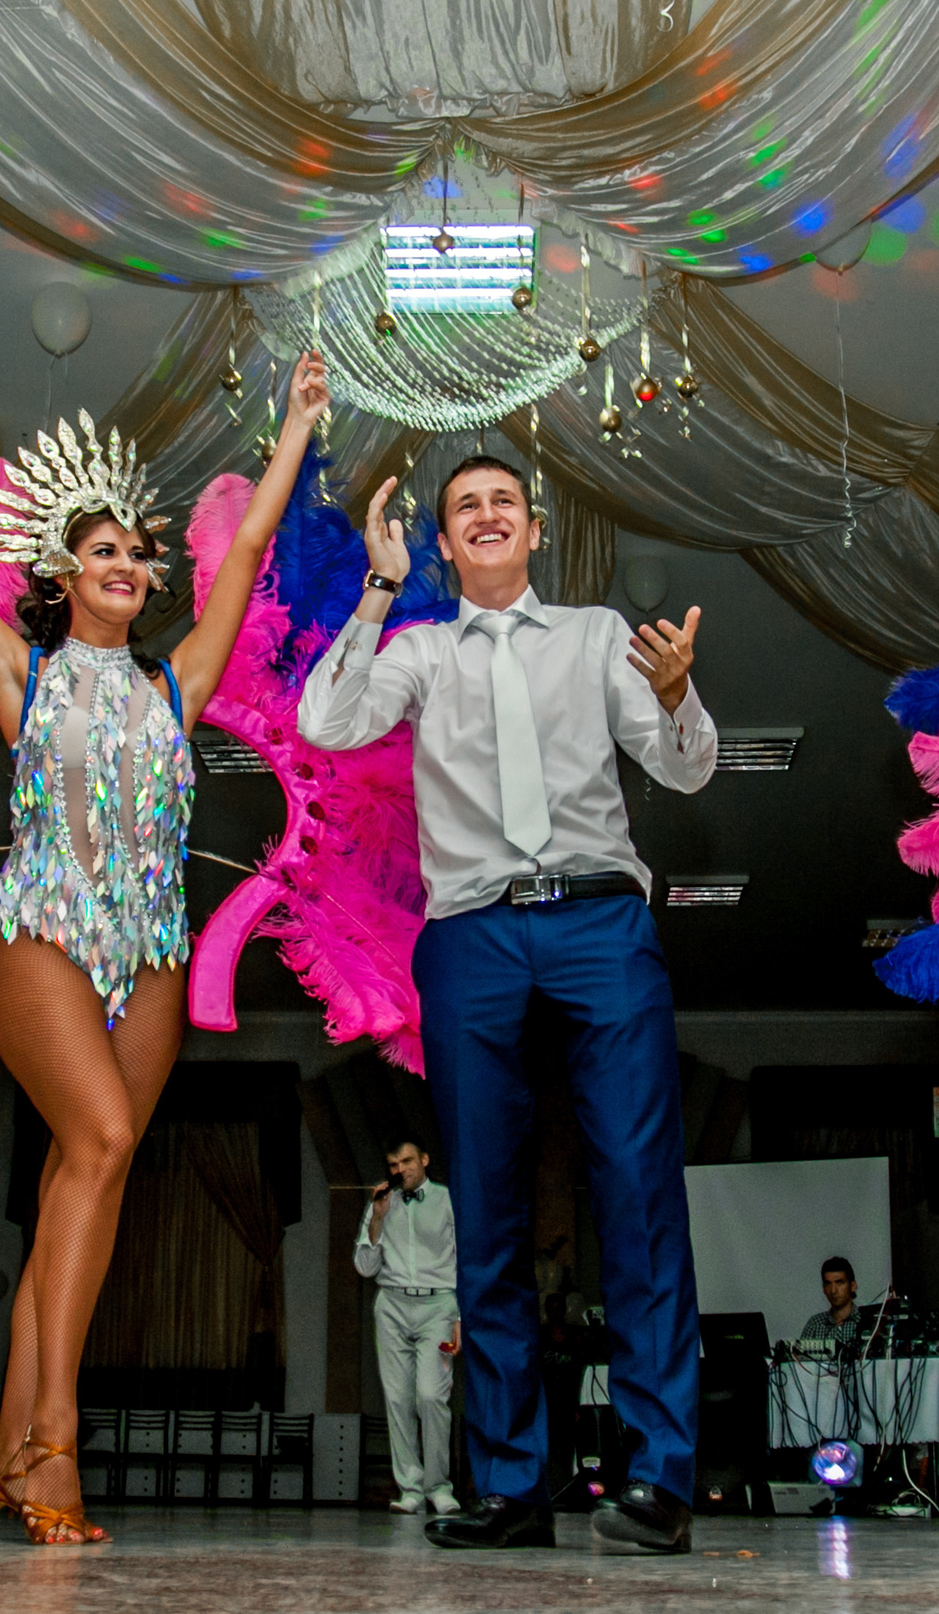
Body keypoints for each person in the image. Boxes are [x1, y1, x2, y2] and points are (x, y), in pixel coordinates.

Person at [0, 337, 326, 1545]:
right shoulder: (21, 675)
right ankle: (54, 1440)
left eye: (139, 553)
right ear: (63, 570)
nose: (127, 564)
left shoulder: (175, 689)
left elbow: (249, 552)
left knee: (81, 1177)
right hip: (42, 930)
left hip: (149, 947)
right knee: (101, 1138)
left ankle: (7, 1451)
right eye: (102, 550)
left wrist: (301, 429)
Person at [299, 457, 717, 1554]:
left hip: (597, 926)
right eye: (462, 510)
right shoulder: (421, 651)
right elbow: (328, 722)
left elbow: (681, 772)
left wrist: (676, 698)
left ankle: (659, 1480)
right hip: (473, 934)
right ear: (442, 544)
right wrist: (378, 588)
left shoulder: (592, 636)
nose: (484, 517)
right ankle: (510, 1488)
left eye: (502, 504)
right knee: (483, 1206)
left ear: (532, 529)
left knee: (636, 1190)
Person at [355, 1135, 460, 1516]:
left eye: (407, 1161)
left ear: (425, 1160)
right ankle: (411, 1489)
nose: (400, 1169)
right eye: (394, 1164)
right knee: (397, 1399)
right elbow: (365, 1267)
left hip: (439, 1306)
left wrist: (460, 1316)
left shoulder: (448, 1200)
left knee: (432, 1396)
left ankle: (439, 1487)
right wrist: (378, 1219)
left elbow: (465, 1259)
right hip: (393, 1305)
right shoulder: (382, 1204)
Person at [797, 1257, 873, 1348]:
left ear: (853, 1286)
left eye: (839, 1282)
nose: (833, 1291)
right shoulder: (815, 1324)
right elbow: (799, 1360)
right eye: (828, 1284)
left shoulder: (869, 1322)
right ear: (823, 1288)